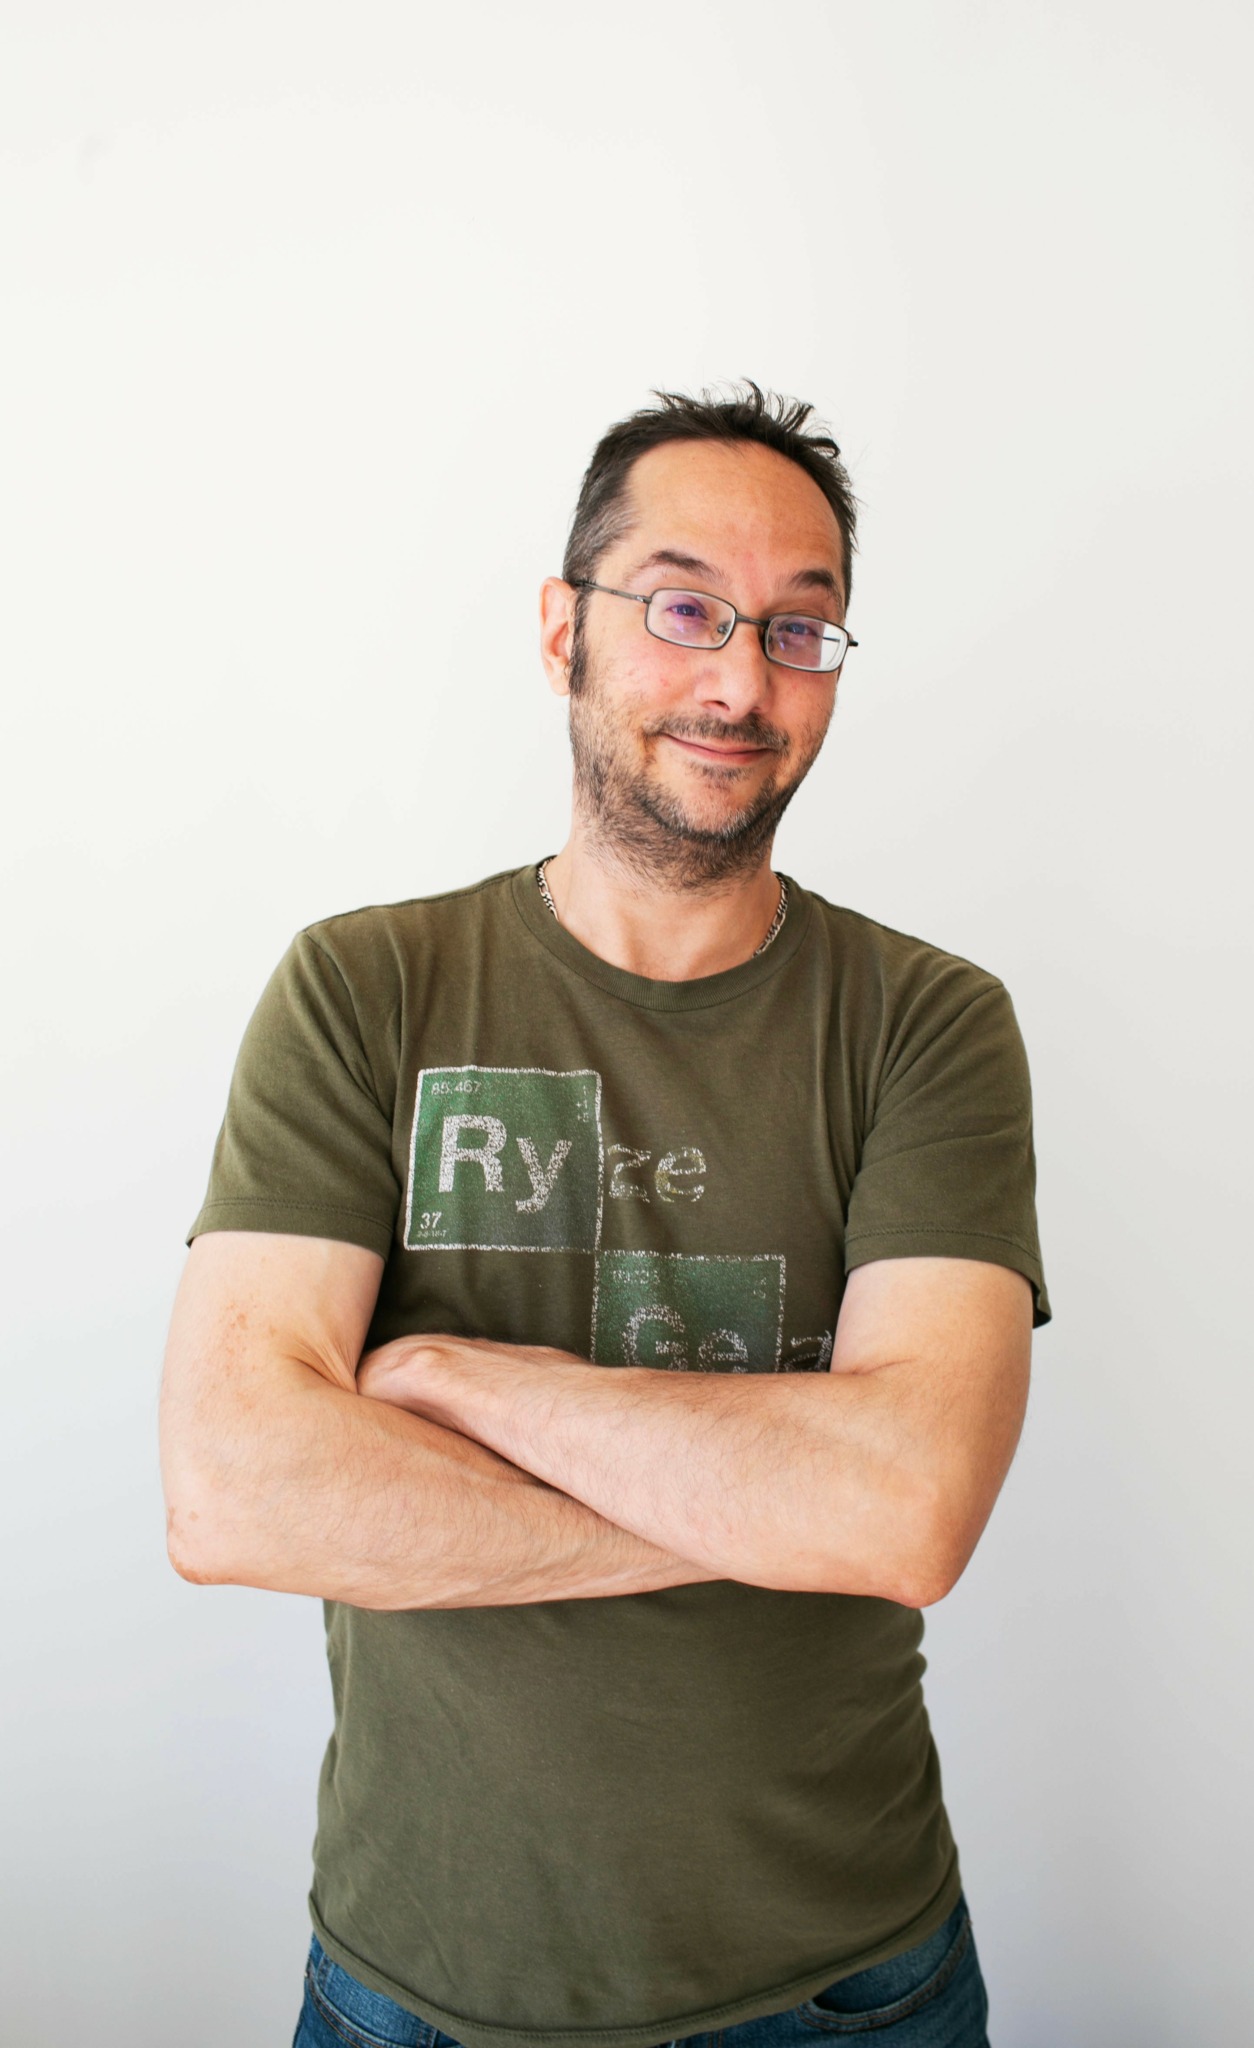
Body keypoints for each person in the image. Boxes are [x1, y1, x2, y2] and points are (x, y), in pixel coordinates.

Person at [159, 380, 1050, 2048]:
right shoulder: (366, 987)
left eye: (799, 630)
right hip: (418, 1981)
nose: (740, 682)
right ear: (563, 628)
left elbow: (910, 1510)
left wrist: (457, 1380)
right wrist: (781, 1508)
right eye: (683, 607)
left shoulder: (926, 1023)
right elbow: (233, 1491)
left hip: (843, 1984)